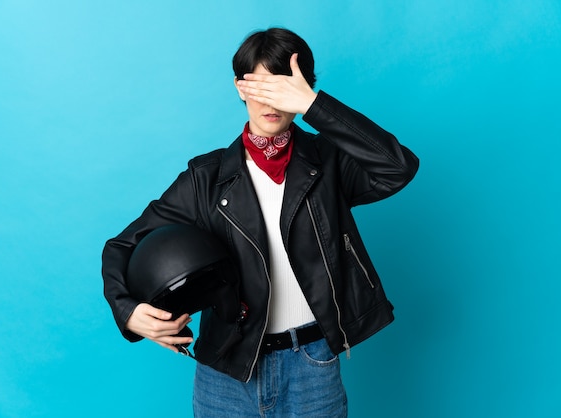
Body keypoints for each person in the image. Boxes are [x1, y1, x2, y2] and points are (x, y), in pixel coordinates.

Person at [102, 27, 419, 417]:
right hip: (227, 370)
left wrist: (314, 105)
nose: (271, 100)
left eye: (282, 85)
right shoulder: (206, 177)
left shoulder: (329, 163)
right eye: (259, 85)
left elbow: (398, 167)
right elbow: (122, 246)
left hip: (313, 366)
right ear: (240, 88)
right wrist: (128, 312)